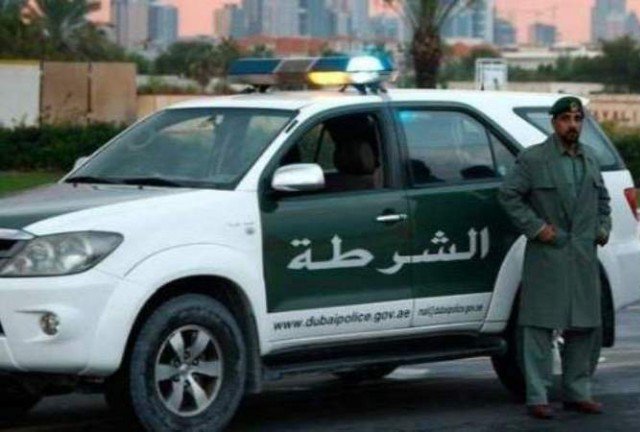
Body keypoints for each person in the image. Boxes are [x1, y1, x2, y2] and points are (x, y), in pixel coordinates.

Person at [498, 96, 612, 420]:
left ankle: (578, 392)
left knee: (585, 326)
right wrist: (536, 228)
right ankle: (537, 395)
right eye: (566, 119)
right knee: (538, 327)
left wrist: (602, 228)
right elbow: (508, 195)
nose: (572, 125)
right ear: (554, 123)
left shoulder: (590, 159)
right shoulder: (534, 159)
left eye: (577, 119)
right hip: (548, 254)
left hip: (583, 256)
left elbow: (603, 201)